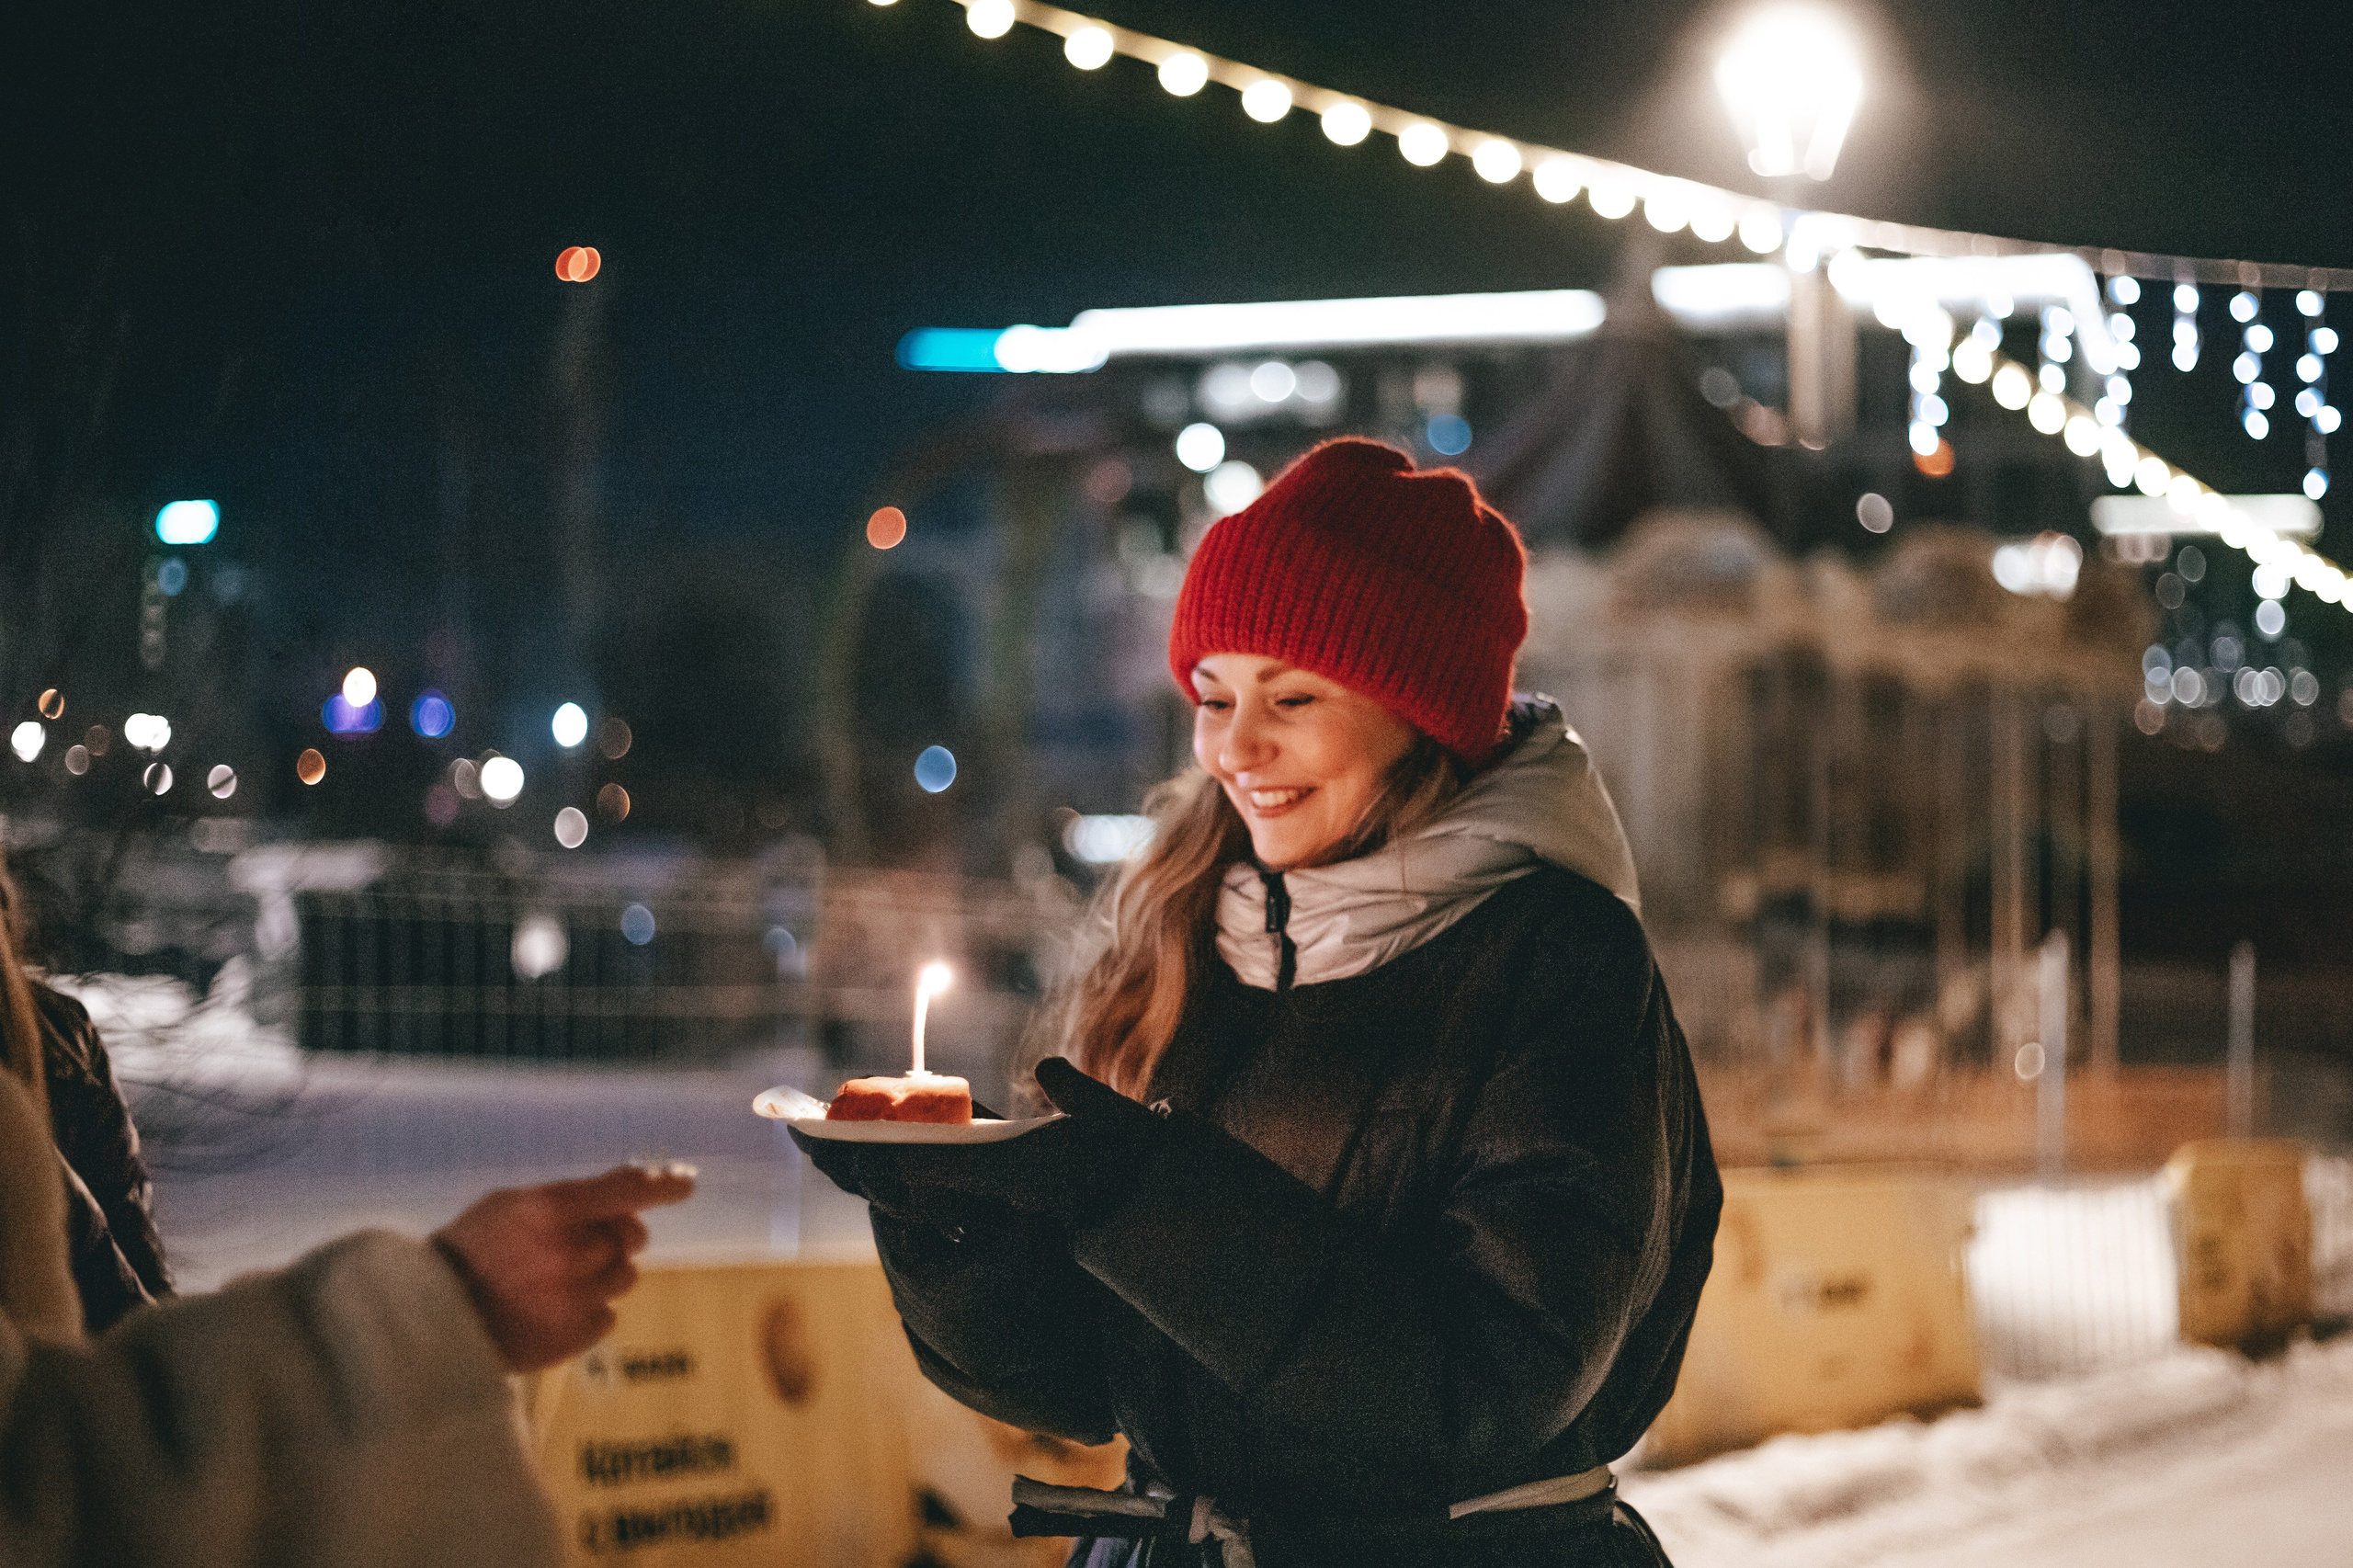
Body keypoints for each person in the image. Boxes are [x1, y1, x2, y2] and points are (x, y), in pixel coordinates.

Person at [799, 438, 1722, 1568]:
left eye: (1292, 695)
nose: (1236, 746)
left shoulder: (1555, 957)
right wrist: (941, 1225)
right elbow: (1093, 1384)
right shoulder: (1189, 931)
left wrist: (1142, 1195)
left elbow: (1492, 1382)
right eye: (1213, 693)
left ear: (1418, 709)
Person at [0, 886, 694, 1567]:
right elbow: (72, 1486)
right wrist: (429, 1317)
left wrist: (459, 1297)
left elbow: (104, 1405)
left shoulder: (50, 1039)